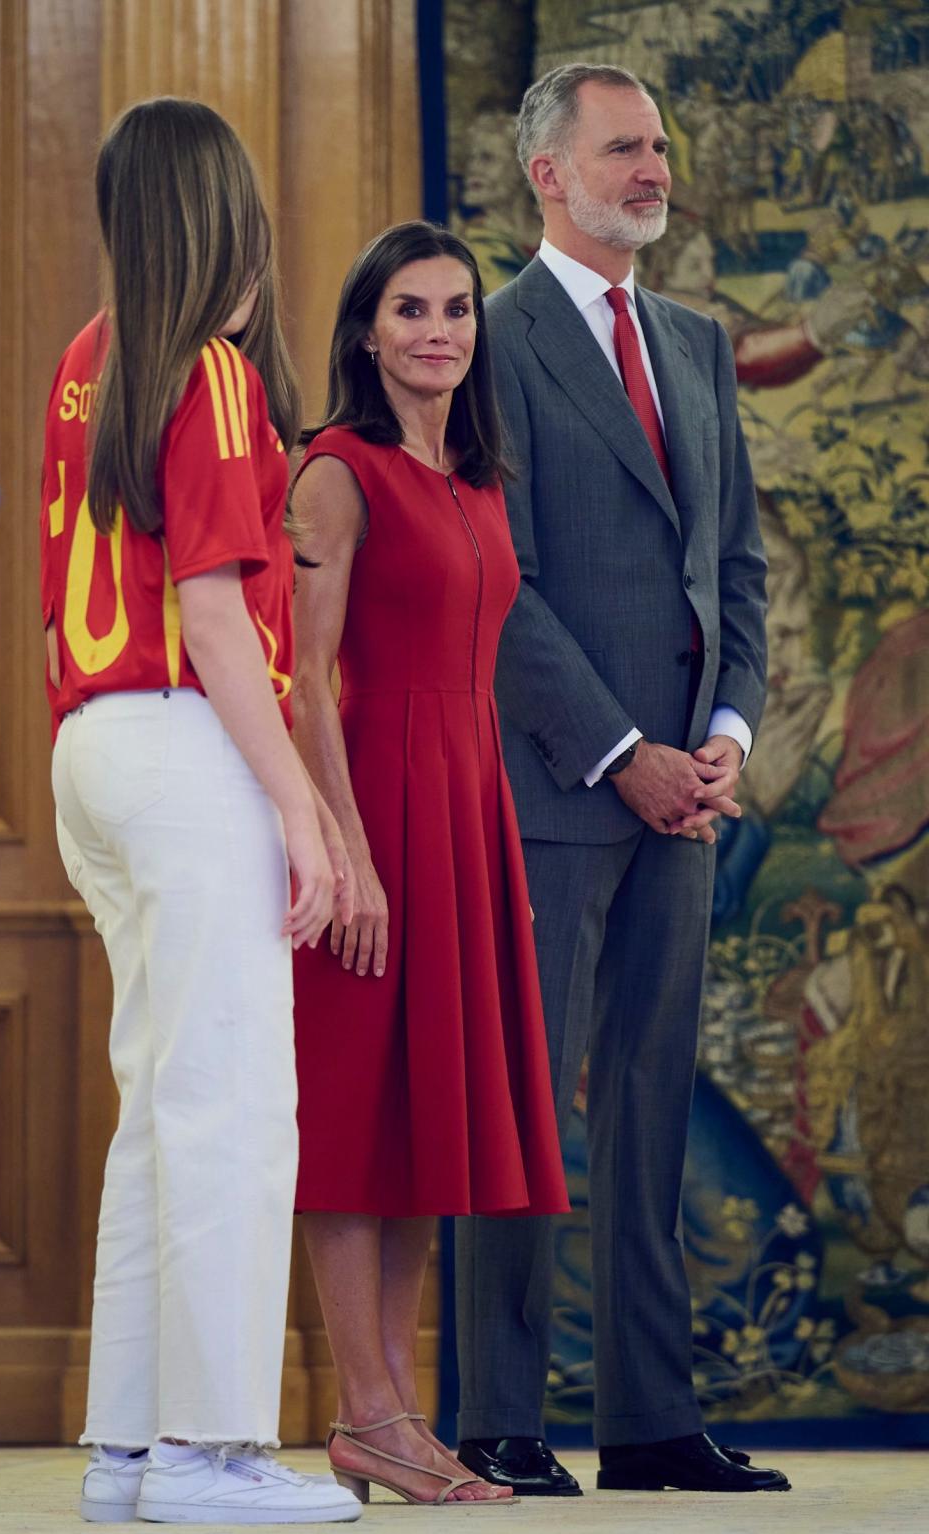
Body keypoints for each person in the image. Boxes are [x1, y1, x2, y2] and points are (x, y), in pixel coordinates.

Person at [453, 63, 790, 1495]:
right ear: (549, 172)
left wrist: (724, 736)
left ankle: (653, 1422)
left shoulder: (701, 348)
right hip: (556, 792)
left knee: (653, 1100)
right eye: (624, 148)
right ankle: (497, 1421)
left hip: (687, 805)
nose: (654, 168)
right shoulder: (494, 340)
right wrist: (618, 752)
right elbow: (500, 585)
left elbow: (738, 572)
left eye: (660, 146)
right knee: (523, 1107)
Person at [40, 97, 361, 1525]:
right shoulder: (216, 373)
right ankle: (210, 1452)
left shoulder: (87, 361)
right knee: (231, 1103)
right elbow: (218, 618)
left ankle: (128, 1451)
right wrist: (302, 808)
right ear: (233, 212)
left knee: (162, 1112)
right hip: (183, 741)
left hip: (93, 749)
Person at [288, 220, 568, 1506]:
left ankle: (393, 1414)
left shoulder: (479, 478)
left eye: (457, 308)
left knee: (421, 1123)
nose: (439, 331)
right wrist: (344, 849)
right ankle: (364, 1409)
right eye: (410, 309)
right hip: (376, 810)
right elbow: (303, 676)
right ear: (365, 331)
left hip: (469, 812)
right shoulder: (336, 470)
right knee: (356, 1114)